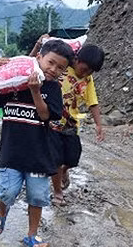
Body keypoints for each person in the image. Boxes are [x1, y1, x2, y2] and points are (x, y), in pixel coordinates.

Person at [0, 40, 73, 247]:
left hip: (39, 156)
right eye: (51, 62)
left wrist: (35, 92)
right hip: (11, 152)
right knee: (8, 192)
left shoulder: (52, 88)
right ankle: (2, 212)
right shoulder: (13, 82)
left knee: (37, 197)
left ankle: (31, 235)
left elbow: (45, 116)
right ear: (38, 58)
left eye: (61, 68)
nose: (54, 70)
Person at [31, 36, 105, 205]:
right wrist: (38, 45)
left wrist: (99, 125)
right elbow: (33, 64)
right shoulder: (61, 68)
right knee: (56, 159)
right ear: (77, 59)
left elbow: (92, 102)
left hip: (71, 124)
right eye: (84, 69)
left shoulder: (87, 79)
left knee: (72, 158)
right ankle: (57, 192)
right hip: (52, 123)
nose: (85, 73)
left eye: (90, 72)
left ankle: (65, 170)